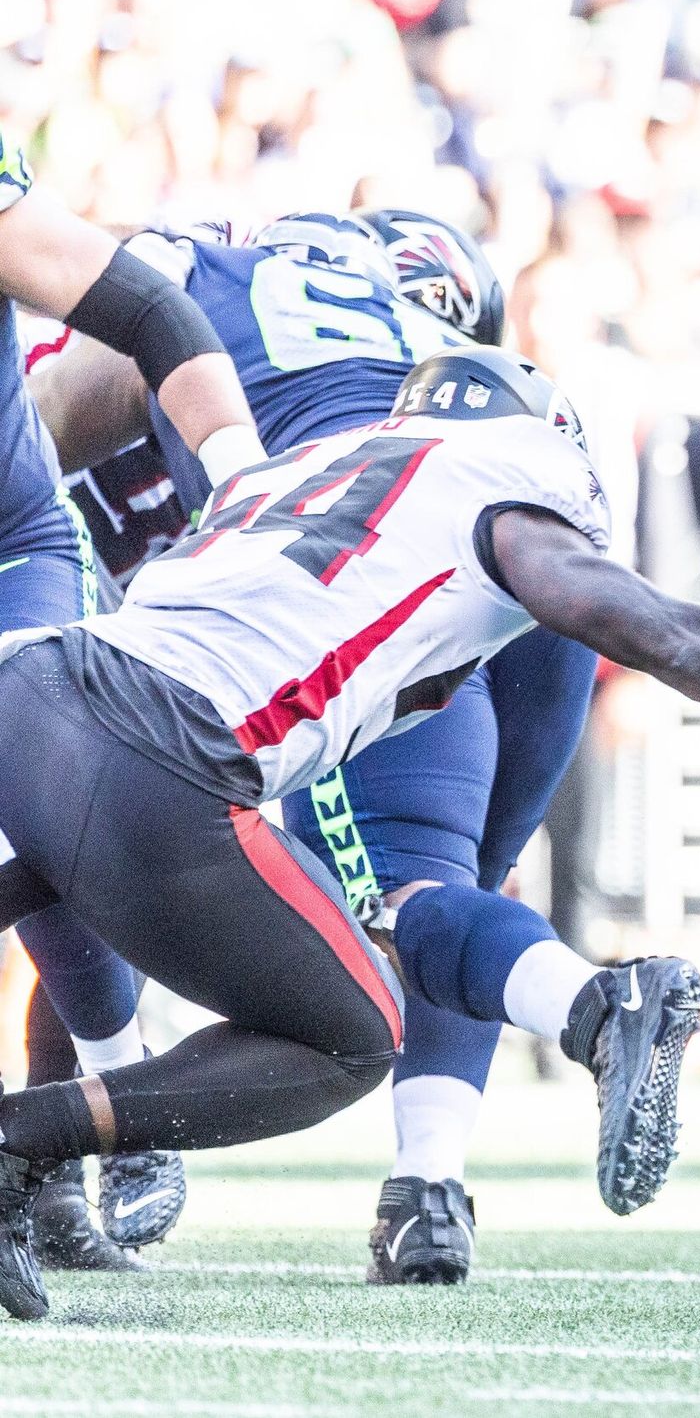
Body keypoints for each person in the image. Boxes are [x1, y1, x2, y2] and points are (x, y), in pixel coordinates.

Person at [0, 344, 700, 1322]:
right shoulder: (501, 475)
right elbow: (665, 631)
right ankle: (22, 1143)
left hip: (37, 685)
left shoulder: (317, 464)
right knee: (351, 1034)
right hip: (161, 750)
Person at [30, 208, 599, 1283]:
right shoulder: (364, 341)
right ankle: (429, 1180)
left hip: (342, 596)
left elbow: (71, 404)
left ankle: (584, 1018)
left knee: (395, 901)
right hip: (500, 579)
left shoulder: (198, 308)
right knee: (450, 889)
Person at [0, 125, 279, 1270]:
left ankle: (116, 1105)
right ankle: (48, 1177)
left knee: (49, 803)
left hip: (10, 545)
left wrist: (247, 478)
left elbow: (151, 311)